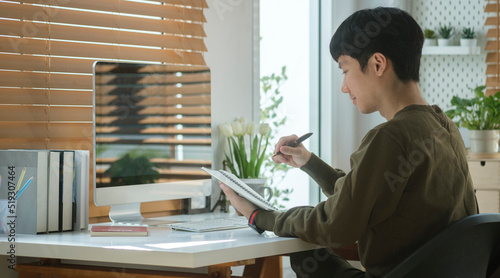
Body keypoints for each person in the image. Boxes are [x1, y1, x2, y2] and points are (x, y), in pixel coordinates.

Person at [219, 7, 478, 278]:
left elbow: (336, 224)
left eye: (345, 69)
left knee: (302, 248)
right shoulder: (444, 127)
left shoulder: (391, 136)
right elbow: (363, 197)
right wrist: (309, 162)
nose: (344, 86)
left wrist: (258, 217)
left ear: (378, 64)